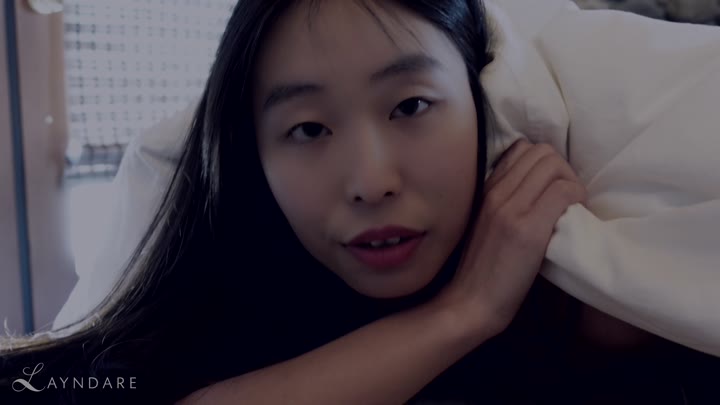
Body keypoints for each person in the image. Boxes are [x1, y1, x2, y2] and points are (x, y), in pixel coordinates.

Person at [2, 0, 719, 404]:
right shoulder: (205, 308)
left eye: (410, 106)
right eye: (308, 129)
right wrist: (463, 312)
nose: (371, 181)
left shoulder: (599, 290)